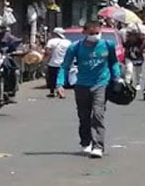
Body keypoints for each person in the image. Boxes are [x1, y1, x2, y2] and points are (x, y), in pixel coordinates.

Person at [56, 21, 122, 158]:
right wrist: (59, 84)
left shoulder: (108, 45)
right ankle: (86, 142)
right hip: (82, 85)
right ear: (84, 33)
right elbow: (65, 66)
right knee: (84, 117)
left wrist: (117, 77)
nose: (95, 36)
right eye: (91, 34)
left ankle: (98, 146)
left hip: (101, 84)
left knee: (98, 114)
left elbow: (113, 62)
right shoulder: (75, 47)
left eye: (97, 33)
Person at [44, 27, 71, 98]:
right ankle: (60, 89)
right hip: (64, 63)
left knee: (52, 77)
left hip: (53, 63)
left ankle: (52, 91)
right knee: (61, 77)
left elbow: (47, 51)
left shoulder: (51, 41)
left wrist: (45, 60)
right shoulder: (68, 42)